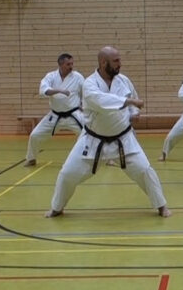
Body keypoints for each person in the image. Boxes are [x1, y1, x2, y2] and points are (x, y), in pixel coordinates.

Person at [46, 46, 170, 218]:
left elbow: (134, 99)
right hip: (92, 140)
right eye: (116, 61)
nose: (120, 64)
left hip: (123, 138)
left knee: (145, 171)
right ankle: (57, 207)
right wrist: (129, 102)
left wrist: (134, 112)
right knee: (67, 174)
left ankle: (161, 206)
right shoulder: (89, 83)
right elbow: (101, 101)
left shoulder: (123, 80)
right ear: (104, 63)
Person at [25, 53, 85, 166]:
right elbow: (44, 91)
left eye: (72, 64)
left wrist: (83, 105)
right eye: (68, 64)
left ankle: (100, 158)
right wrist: (59, 90)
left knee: (90, 134)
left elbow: (85, 93)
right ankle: (31, 158)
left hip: (74, 114)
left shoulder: (78, 77)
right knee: (35, 135)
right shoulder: (51, 76)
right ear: (60, 64)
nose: (71, 66)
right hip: (55, 115)